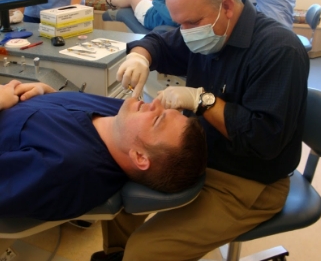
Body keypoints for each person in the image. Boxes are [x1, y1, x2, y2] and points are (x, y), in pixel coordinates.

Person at [90, 0, 309, 261]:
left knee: (145, 250)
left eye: (191, 23)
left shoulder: (278, 51)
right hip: (198, 156)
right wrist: (140, 56)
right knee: (118, 198)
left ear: (228, 7)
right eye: (181, 23)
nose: (186, 31)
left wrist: (201, 100)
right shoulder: (207, 32)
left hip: (249, 181)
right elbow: (162, 41)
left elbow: (262, 140)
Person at [0, 80, 207, 221]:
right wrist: (47, 93)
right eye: (167, 110)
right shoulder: (120, 116)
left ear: (139, 157)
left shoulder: (64, 169)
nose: (155, 103)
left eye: (158, 118)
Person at [105, 0, 179, 30]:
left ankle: (113, 2)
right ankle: (127, 1)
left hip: (149, 16)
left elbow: (156, 1)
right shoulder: (185, 10)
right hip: (159, 13)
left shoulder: (175, 16)